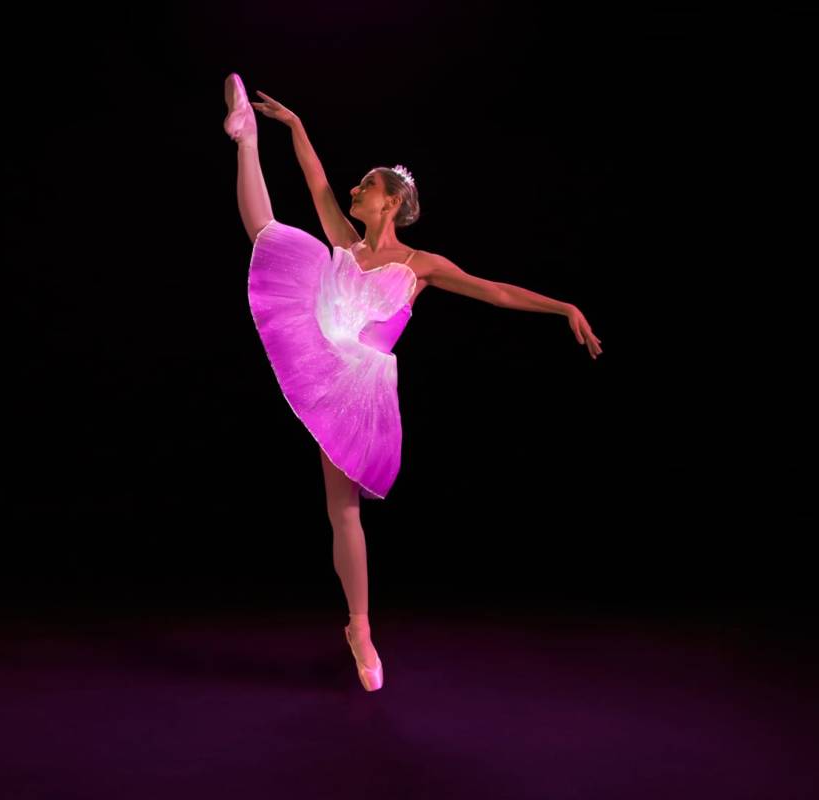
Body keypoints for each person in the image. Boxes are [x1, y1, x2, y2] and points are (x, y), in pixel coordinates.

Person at [223, 73, 603, 691]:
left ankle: (359, 628)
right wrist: (291, 127)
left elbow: (495, 290)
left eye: (365, 186)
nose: (352, 188)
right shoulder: (344, 242)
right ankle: (244, 140)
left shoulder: (420, 266)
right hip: (320, 342)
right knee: (270, 235)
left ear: (390, 202)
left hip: (356, 382)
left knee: (342, 511)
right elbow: (315, 177)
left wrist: (563, 307)